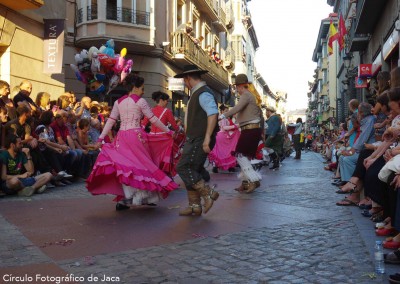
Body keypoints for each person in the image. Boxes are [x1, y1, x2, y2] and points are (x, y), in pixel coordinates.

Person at [86, 74, 178, 211]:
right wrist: (168, 131)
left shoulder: (118, 102)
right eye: (141, 88)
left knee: (126, 167)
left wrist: (100, 139)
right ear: (134, 87)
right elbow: (153, 119)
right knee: (142, 165)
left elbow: (110, 122)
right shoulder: (141, 102)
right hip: (136, 137)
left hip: (121, 137)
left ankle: (127, 198)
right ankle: (142, 196)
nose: (143, 91)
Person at [174, 65, 219, 216]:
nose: (185, 84)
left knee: (183, 167)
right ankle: (194, 205)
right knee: (192, 170)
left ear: (188, 79)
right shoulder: (198, 93)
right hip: (195, 138)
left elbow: (213, 114)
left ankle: (208, 194)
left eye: (184, 80)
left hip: (199, 138)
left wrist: (207, 138)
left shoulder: (203, 93)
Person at [219, 74, 263, 193]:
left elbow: (237, 108)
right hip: (250, 129)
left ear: (239, 86)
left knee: (240, 155)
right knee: (243, 156)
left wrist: (222, 115)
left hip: (250, 130)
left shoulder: (246, 95)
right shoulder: (249, 95)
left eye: (236, 87)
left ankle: (253, 180)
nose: (236, 90)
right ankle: (245, 183)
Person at [142, 91, 179, 176]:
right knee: (163, 159)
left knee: (153, 158)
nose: (167, 102)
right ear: (161, 100)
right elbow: (174, 125)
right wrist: (178, 130)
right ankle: (164, 176)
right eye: (166, 100)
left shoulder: (150, 110)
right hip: (163, 138)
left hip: (151, 138)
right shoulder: (167, 111)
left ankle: (154, 175)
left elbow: (143, 125)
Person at [209, 104, 240, 173]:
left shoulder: (221, 117)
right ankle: (228, 167)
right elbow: (224, 127)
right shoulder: (222, 117)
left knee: (220, 152)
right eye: (226, 111)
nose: (227, 112)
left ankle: (218, 167)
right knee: (226, 151)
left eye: (228, 111)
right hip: (222, 136)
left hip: (220, 135)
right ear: (222, 111)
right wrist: (235, 126)